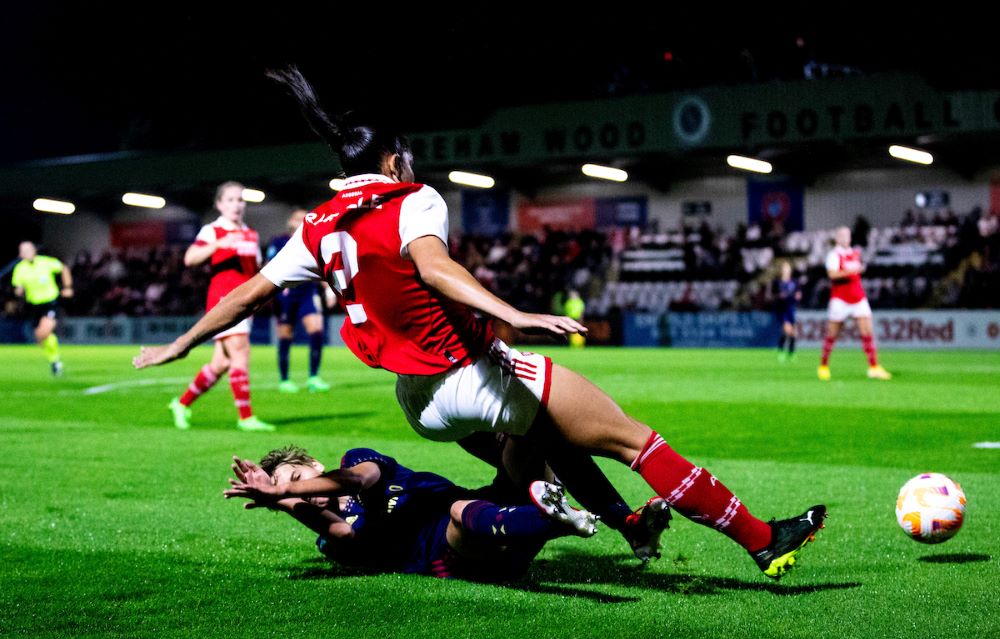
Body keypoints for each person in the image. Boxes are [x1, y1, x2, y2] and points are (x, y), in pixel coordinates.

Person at [135, 65, 825, 580]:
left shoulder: (316, 226)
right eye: (403, 152)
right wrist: (514, 313)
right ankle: (764, 539)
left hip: (419, 403)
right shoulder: (413, 198)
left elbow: (243, 297)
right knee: (632, 439)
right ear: (389, 158)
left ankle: (618, 526)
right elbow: (434, 269)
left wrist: (178, 343)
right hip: (468, 372)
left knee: (552, 445)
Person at [223, 445, 599, 581]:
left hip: (490, 507)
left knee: (523, 437)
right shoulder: (330, 537)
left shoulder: (354, 461)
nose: (303, 493)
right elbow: (345, 535)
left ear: (314, 464)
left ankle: (616, 519)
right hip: (461, 554)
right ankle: (553, 518)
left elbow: (357, 480)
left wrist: (284, 489)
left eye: (298, 477)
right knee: (456, 513)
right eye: (293, 492)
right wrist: (281, 499)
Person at [167, 182, 275, 432]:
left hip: (245, 302)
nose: (236, 205)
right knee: (240, 352)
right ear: (219, 204)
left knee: (220, 364)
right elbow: (190, 258)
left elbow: (254, 271)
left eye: (240, 199)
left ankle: (181, 404)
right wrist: (219, 244)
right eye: (230, 200)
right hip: (223, 301)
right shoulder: (213, 230)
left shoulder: (251, 233)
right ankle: (246, 417)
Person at [266, 208, 333, 393]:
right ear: (290, 222)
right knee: (286, 336)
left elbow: (321, 268)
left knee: (316, 330)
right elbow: (269, 266)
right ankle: (285, 380)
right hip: (286, 294)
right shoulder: (279, 241)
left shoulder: (312, 242)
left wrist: (329, 291)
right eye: (298, 219)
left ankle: (313, 377)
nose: (301, 222)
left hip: (307, 292)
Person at [818, 226, 891, 381]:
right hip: (840, 298)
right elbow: (832, 274)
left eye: (848, 235)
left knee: (867, 332)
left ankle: (874, 367)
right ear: (837, 238)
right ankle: (823, 365)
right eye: (843, 236)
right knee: (832, 334)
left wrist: (858, 270)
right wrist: (851, 272)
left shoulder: (855, 253)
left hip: (858, 296)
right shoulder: (834, 255)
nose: (846, 238)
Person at [11, 241, 72, 376]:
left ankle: (55, 361)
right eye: (24, 251)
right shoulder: (20, 269)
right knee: (41, 337)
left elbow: (64, 268)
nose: (27, 253)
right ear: (20, 254)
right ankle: (55, 361)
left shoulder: (46, 262)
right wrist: (19, 291)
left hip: (50, 303)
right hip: (33, 306)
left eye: (29, 250)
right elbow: (18, 287)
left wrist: (67, 287)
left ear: (34, 250)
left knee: (43, 333)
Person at [773, 261, 800, 362]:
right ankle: (781, 353)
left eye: (788, 267)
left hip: (791, 308)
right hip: (781, 309)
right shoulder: (777, 282)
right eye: (784, 268)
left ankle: (790, 353)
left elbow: (798, 293)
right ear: (781, 270)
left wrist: (797, 296)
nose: (786, 269)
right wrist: (780, 296)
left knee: (793, 333)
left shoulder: (794, 282)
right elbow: (773, 295)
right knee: (787, 330)